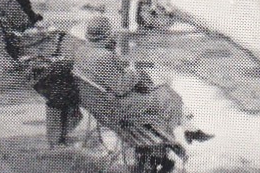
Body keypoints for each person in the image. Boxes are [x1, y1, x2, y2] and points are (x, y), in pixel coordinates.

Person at [71, 17, 211, 150]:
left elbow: (107, 73)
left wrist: (122, 63)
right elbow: (121, 87)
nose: (113, 36)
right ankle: (181, 134)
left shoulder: (82, 51)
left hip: (101, 107)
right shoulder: (104, 56)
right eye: (111, 34)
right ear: (106, 35)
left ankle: (190, 129)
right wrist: (134, 71)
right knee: (167, 95)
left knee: (159, 90)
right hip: (120, 108)